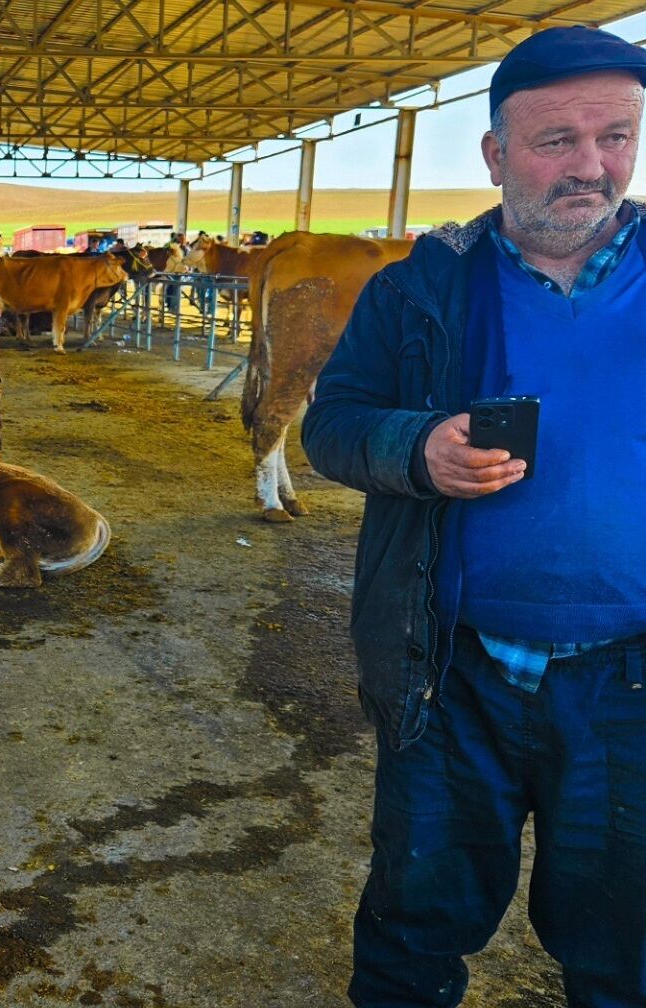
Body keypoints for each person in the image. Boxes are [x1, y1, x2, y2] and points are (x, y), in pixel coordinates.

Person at [301, 26, 646, 1007]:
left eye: (615, 136)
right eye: (556, 141)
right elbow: (332, 426)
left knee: (625, 950)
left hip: (632, 684)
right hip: (451, 675)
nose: (591, 166)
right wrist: (416, 449)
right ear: (495, 155)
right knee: (413, 932)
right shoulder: (419, 289)